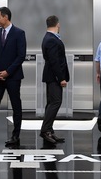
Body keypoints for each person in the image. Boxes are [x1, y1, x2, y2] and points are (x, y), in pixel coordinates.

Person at [0, 7, 27, 148]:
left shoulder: (19, 33)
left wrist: (7, 72)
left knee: (16, 106)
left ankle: (15, 135)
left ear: (6, 17)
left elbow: (21, 56)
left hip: (13, 77)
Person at [39, 15, 70, 144]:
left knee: (51, 102)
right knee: (55, 102)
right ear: (58, 24)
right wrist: (61, 78)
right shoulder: (51, 39)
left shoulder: (49, 38)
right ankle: (45, 130)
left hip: (51, 76)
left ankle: (49, 130)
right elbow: (54, 61)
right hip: (54, 76)